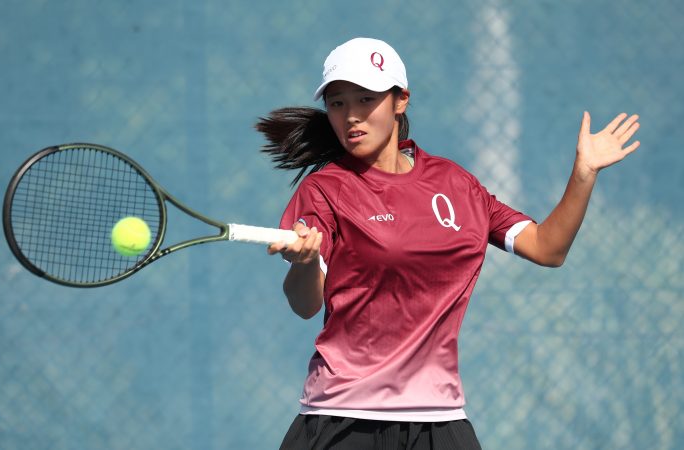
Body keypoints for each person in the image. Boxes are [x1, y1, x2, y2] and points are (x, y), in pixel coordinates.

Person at [257, 37, 640, 450]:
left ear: (400, 101)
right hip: (342, 421)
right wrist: (304, 262)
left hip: (440, 422)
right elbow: (305, 304)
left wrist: (584, 173)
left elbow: (548, 248)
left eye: (366, 99)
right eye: (337, 104)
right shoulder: (325, 189)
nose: (351, 116)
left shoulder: (456, 184)